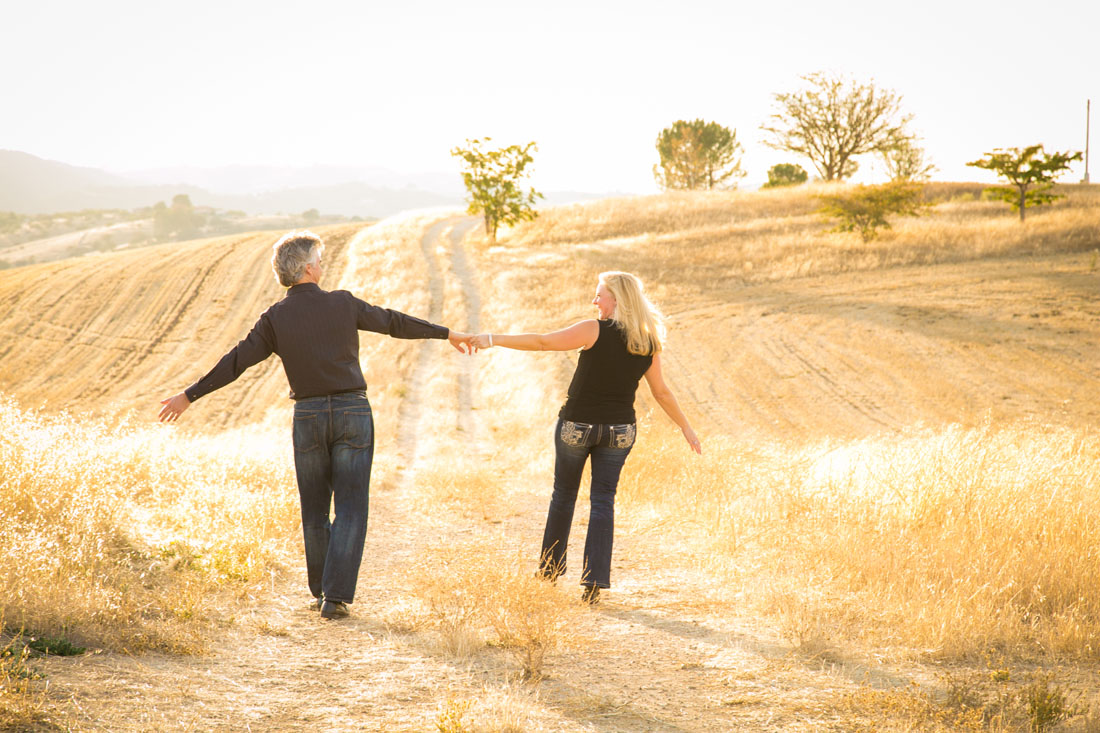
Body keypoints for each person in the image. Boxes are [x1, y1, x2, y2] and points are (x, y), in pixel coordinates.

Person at [159, 230, 472, 620]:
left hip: (307, 418)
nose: (322, 266)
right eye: (320, 261)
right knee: (352, 508)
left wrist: (189, 395)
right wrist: (447, 334)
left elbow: (236, 361)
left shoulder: (275, 317)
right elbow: (393, 323)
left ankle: (321, 590)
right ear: (309, 268)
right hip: (352, 413)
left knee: (314, 510)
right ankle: (334, 597)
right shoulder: (342, 304)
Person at [470, 271, 700, 604]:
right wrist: (685, 427)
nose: (595, 302)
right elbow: (661, 392)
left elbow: (543, 342)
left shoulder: (594, 329)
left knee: (563, 494)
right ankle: (593, 584)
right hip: (620, 432)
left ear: (616, 300)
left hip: (577, 426)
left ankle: (549, 571)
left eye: (599, 295)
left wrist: (491, 338)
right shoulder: (647, 341)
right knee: (603, 501)